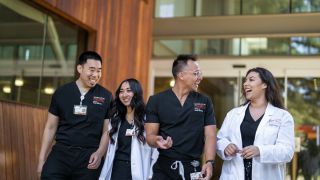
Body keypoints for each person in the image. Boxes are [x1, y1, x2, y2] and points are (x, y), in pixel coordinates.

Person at [37, 51, 113, 180]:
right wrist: (41, 160)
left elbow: (107, 130)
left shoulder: (106, 96)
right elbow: (50, 127)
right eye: (92, 70)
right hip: (61, 153)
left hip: (89, 157)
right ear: (80, 68)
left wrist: (99, 154)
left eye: (99, 70)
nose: (95, 74)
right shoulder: (62, 92)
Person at [145, 54, 217, 180]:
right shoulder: (156, 100)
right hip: (163, 169)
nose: (200, 77)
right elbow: (150, 136)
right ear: (181, 75)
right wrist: (157, 140)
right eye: (196, 73)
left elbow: (210, 135)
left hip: (193, 167)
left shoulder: (204, 101)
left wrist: (210, 162)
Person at [216, 67, 295, 180]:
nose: (245, 84)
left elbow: (287, 152)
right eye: (245, 80)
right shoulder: (233, 114)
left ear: (265, 84)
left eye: (251, 80)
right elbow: (220, 139)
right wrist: (225, 147)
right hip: (233, 175)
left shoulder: (282, 116)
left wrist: (260, 150)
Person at [99, 78, 158, 180]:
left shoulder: (147, 118)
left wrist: (152, 173)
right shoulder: (116, 118)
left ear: (136, 93)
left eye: (129, 90)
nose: (124, 94)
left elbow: (155, 150)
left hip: (139, 170)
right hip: (117, 169)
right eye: (121, 91)